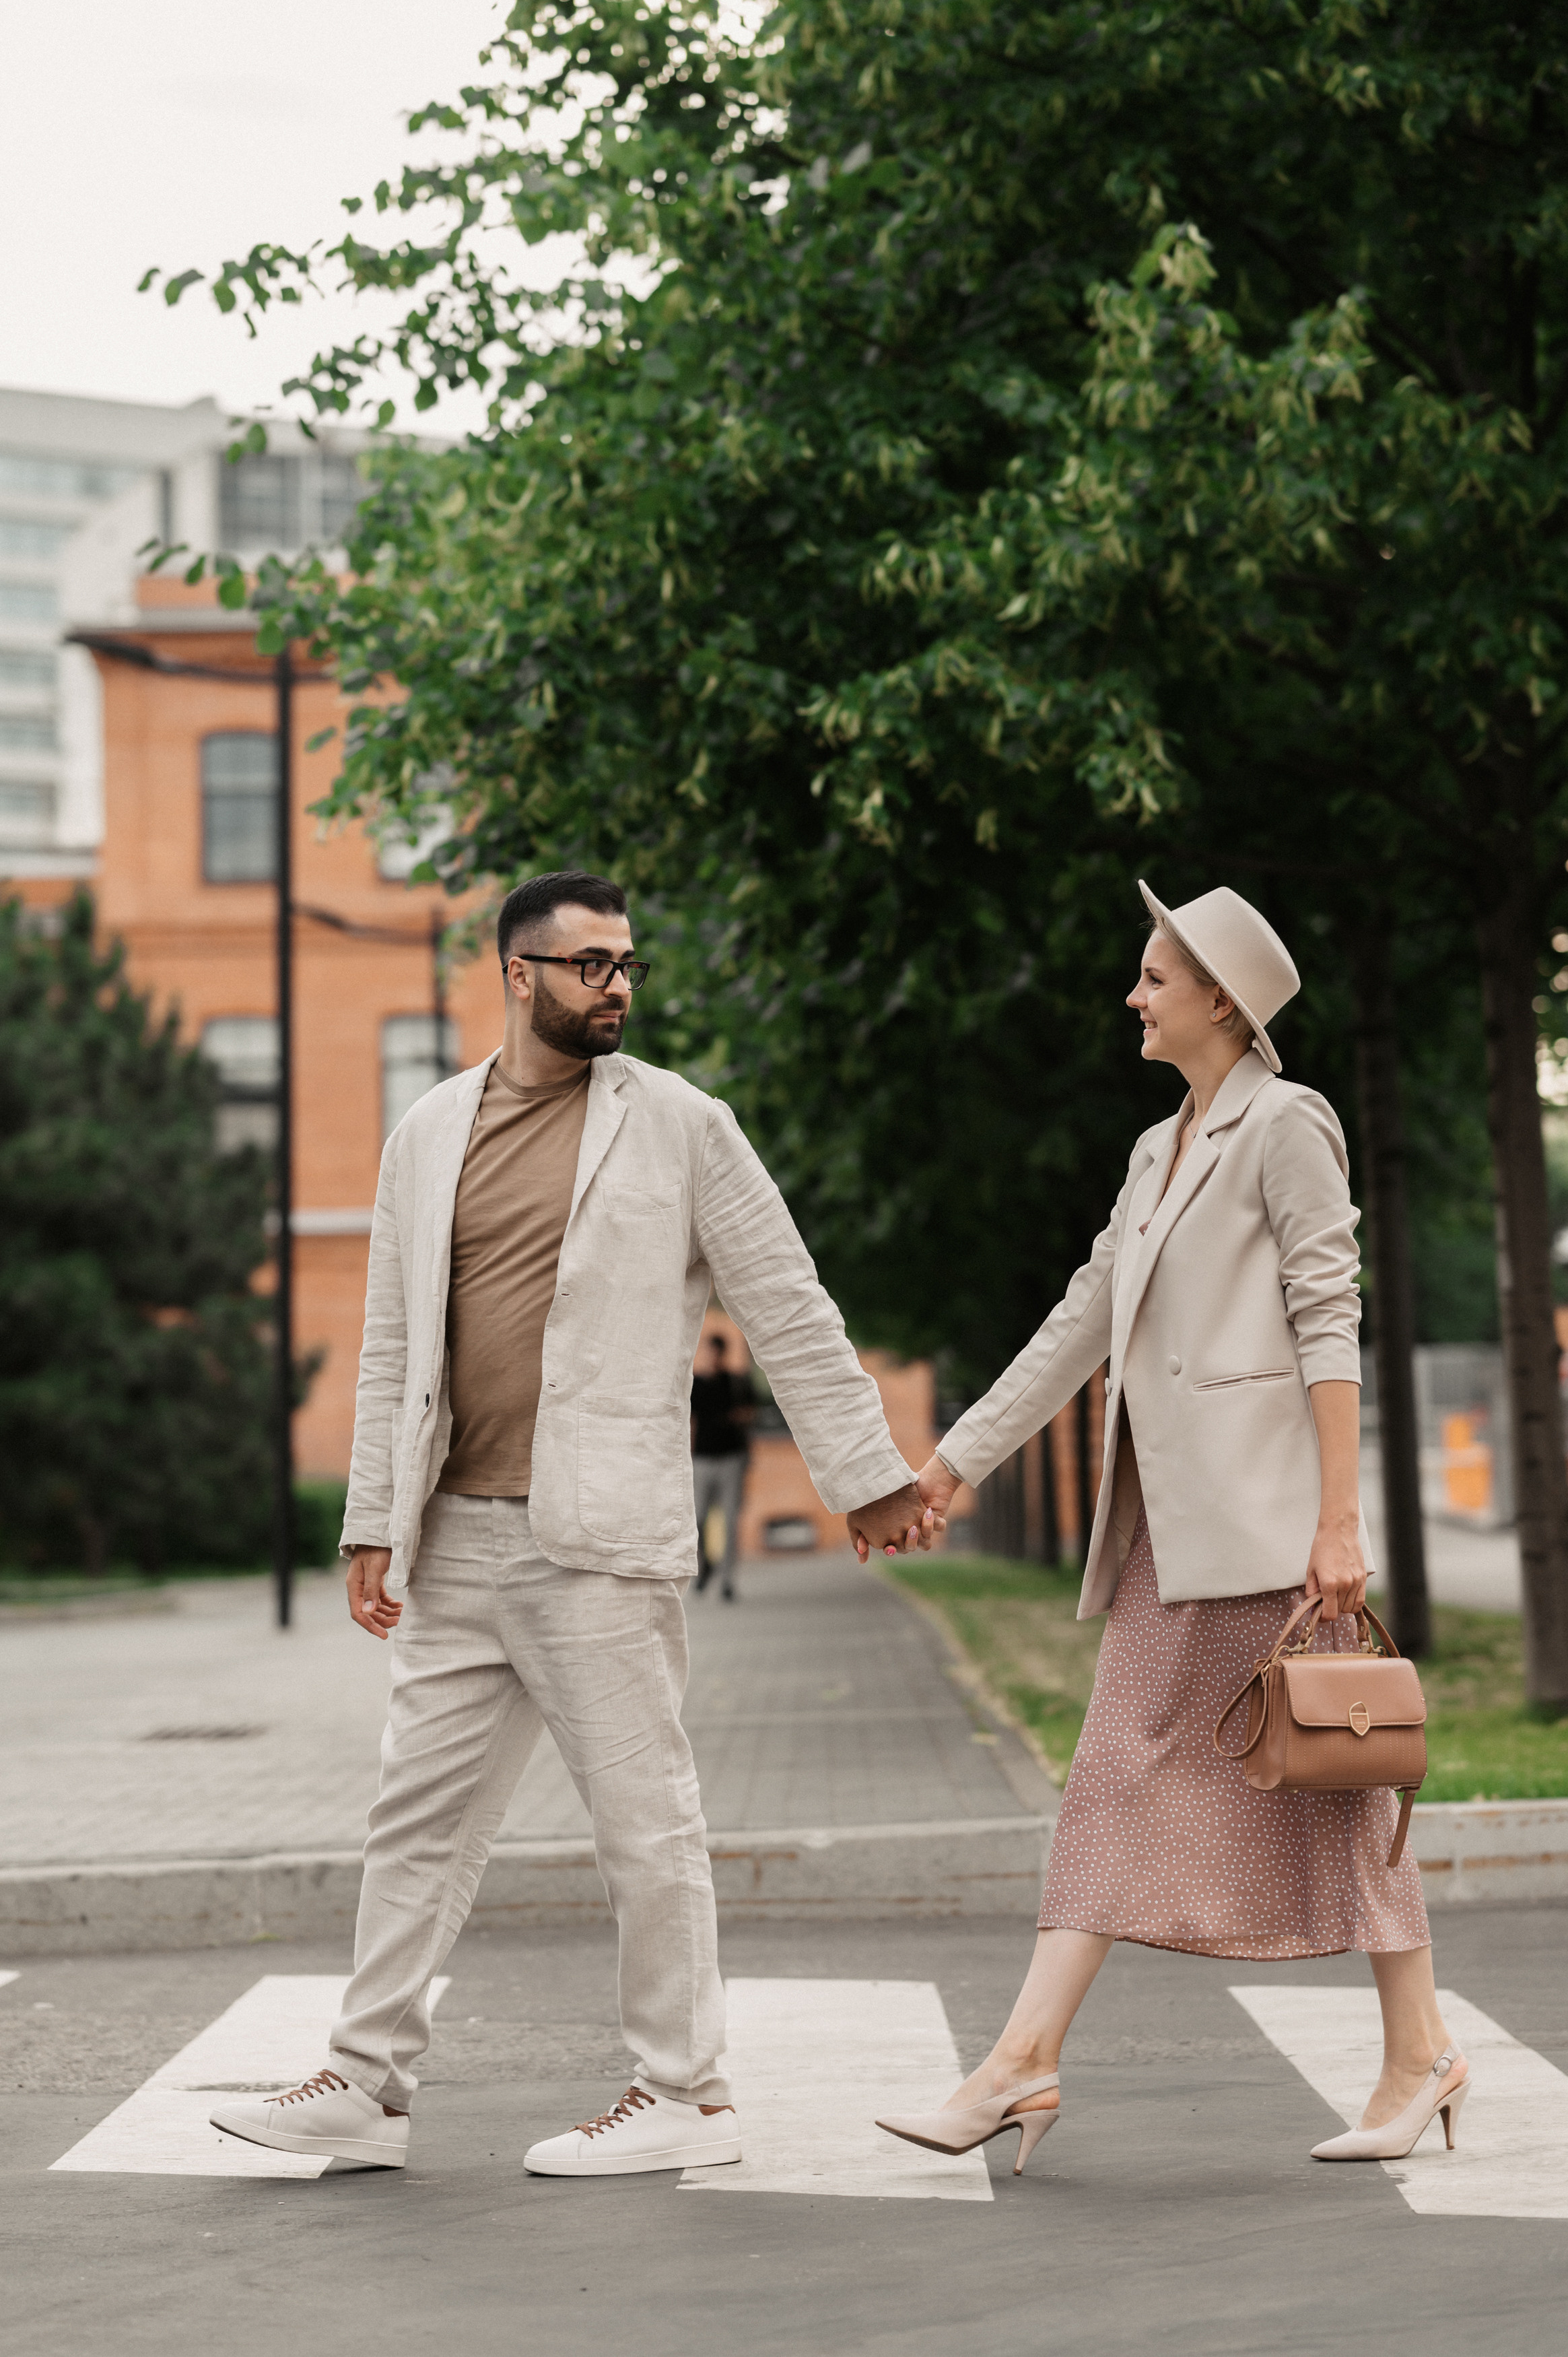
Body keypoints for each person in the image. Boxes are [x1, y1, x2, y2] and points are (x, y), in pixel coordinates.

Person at [211, 869, 933, 2179]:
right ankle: (366, 2087)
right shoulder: (427, 1131)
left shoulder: (680, 1124)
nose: (616, 984)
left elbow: (784, 1295)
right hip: (459, 1536)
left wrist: (865, 1470)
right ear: (516, 973)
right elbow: (391, 1344)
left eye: (627, 963)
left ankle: (685, 2094)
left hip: (599, 1541)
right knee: (415, 1821)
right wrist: (375, 1514)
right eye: (590, 962)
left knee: (643, 1821)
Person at [877, 882, 1467, 2177]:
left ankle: (1026, 2063)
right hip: (1168, 1532)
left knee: (1318, 1781)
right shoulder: (1158, 1149)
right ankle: (1405, 2053)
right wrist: (954, 1461)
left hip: (1263, 1527)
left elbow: (1329, 1314)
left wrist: (1337, 1520)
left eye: (1151, 978)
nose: (1130, 997)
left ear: (1218, 1000)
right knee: (1180, 1777)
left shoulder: (1284, 1125)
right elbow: (1080, 1318)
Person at [690, 1331, 753, 1600]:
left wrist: (738, 1416)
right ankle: (705, 1566)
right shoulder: (697, 1384)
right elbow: (689, 1421)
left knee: (729, 1521)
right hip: (702, 1459)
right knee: (698, 1518)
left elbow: (753, 1411)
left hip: (731, 1458)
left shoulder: (736, 1383)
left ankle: (728, 1581)